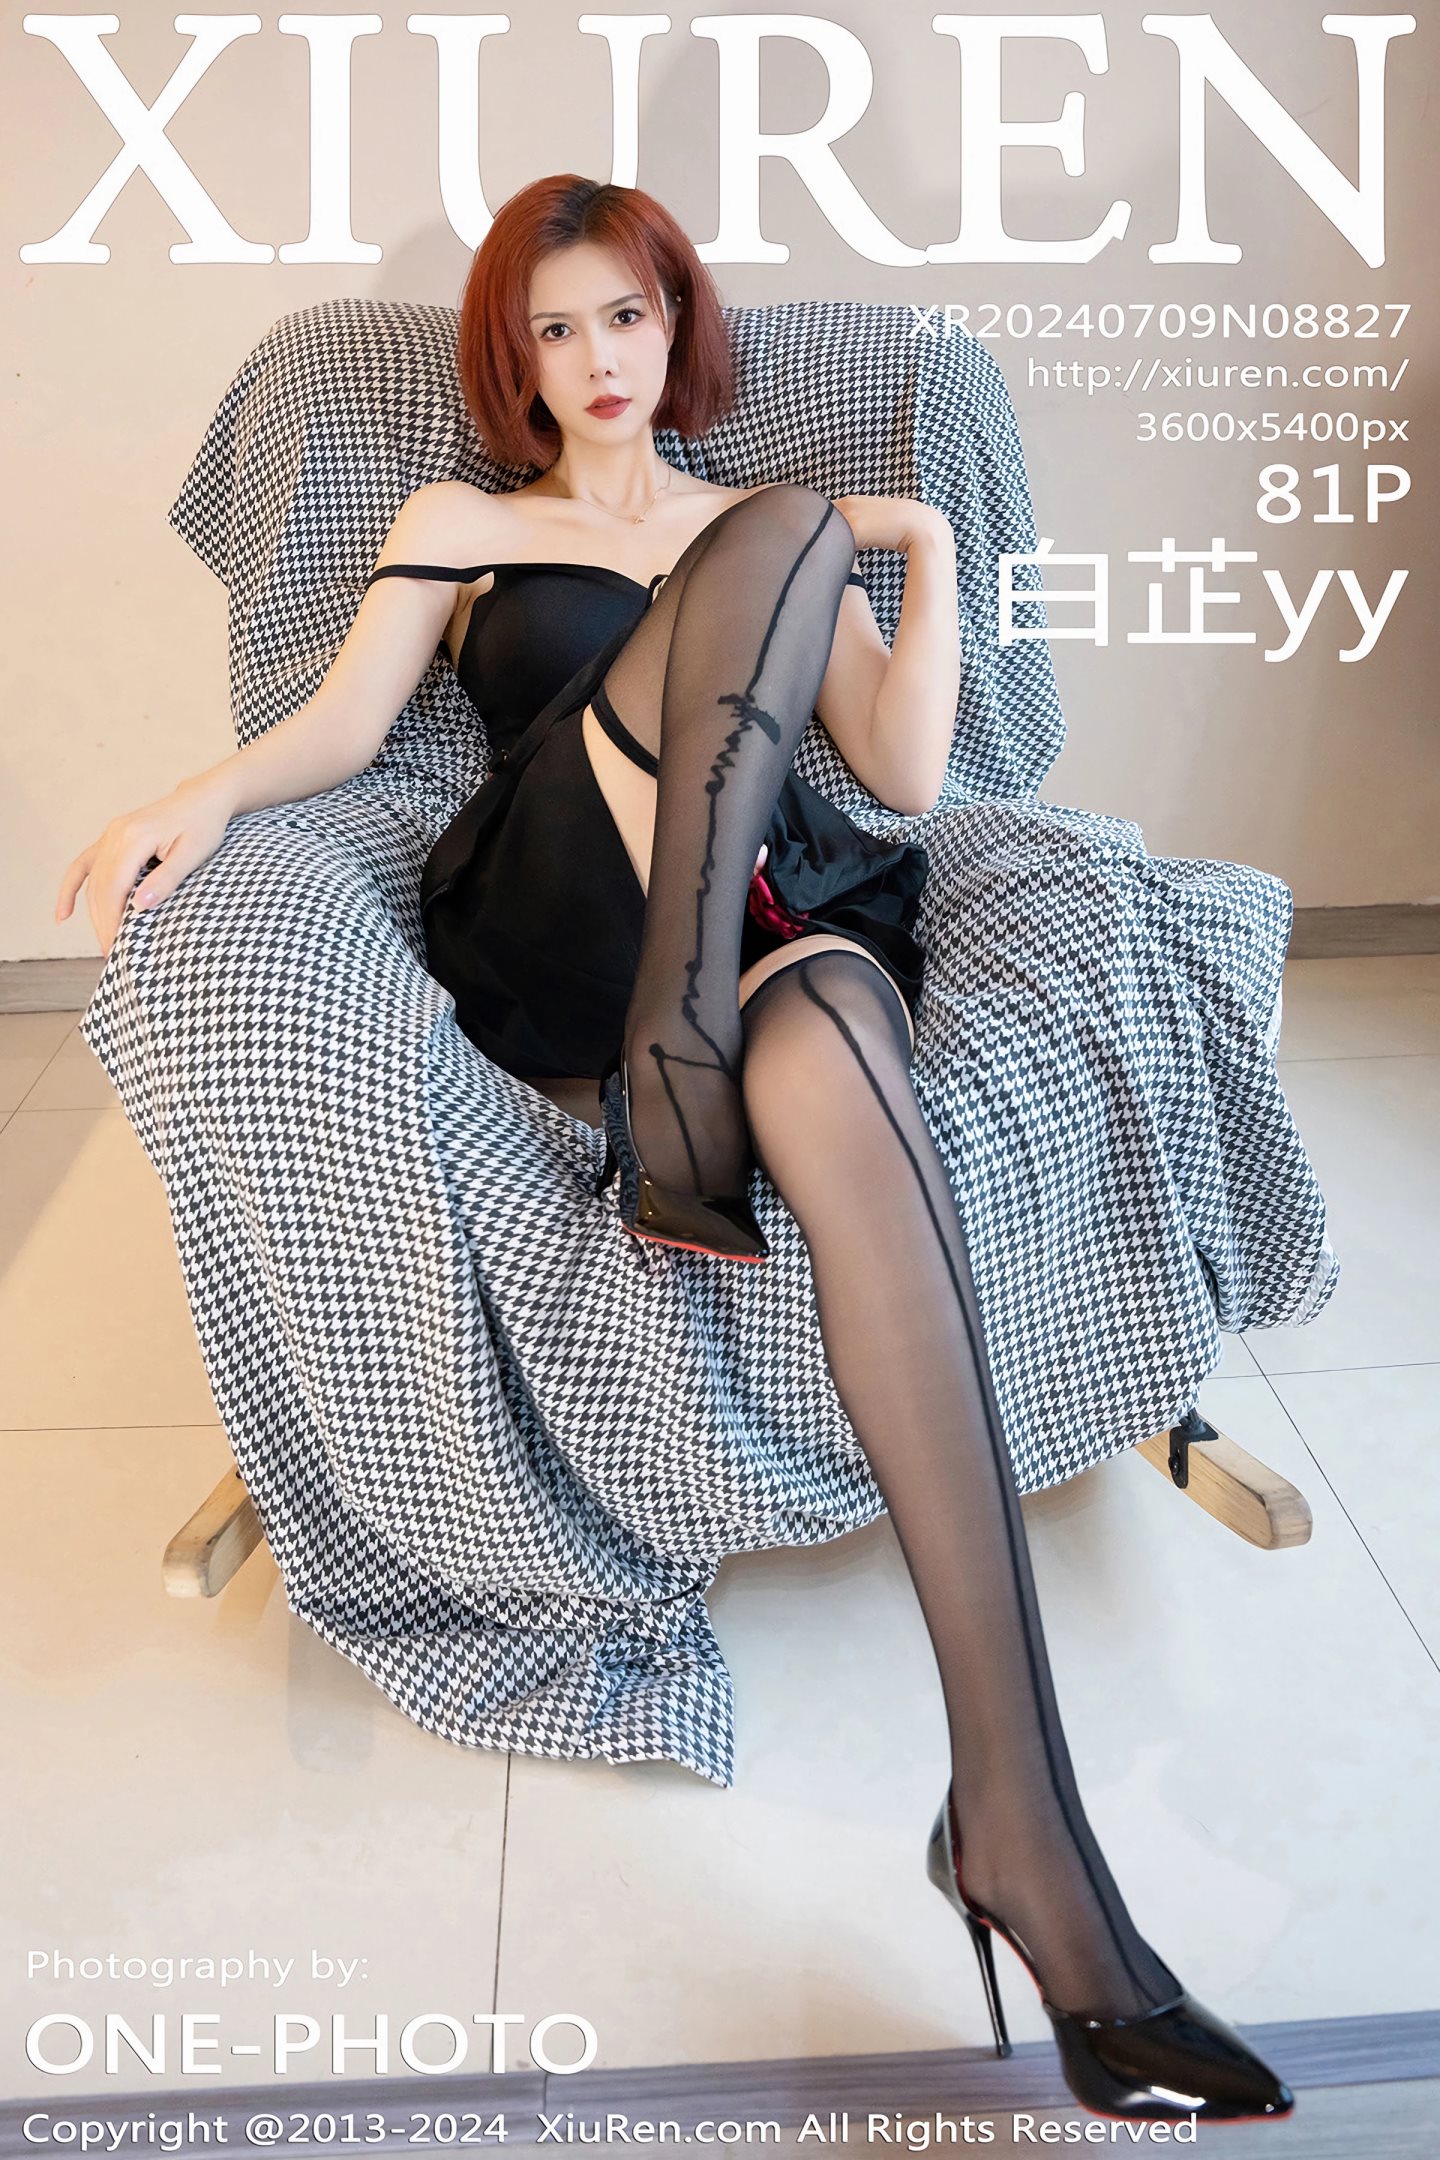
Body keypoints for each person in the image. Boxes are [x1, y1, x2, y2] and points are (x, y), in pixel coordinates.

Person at [55, 175, 1293, 2127]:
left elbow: (902, 772)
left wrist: (927, 541)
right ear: (515, 359)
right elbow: (340, 727)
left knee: (851, 1062)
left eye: (622, 317)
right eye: (552, 330)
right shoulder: (462, 522)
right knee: (775, 580)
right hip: (560, 903)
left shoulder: (769, 524)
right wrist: (193, 799)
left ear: (674, 324)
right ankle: (678, 1046)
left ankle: (1017, 1832)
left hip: (775, 915)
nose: (596, 361)